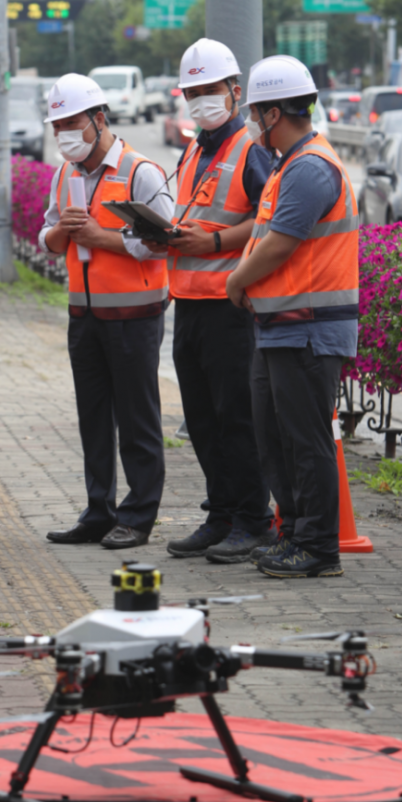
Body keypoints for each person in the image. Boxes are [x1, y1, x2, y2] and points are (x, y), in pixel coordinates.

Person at [226, 56, 359, 578]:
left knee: (306, 442)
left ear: (274, 112)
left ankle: (320, 548)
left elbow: (279, 245)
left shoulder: (308, 168)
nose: (254, 121)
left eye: (257, 111)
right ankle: (295, 533)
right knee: (278, 439)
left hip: (309, 329)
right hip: (280, 325)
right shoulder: (288, 164)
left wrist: (236, 281)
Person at [147, 38, 274, 564]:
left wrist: (216, 242)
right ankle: (220, 514)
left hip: (231, 306)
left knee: (235, 417)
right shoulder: (195, 148)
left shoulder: (251, 149)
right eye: (192, 91)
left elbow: (270, 221)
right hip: (189, 303)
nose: (201, 100)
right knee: (200, 417)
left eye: (210, 90)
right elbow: (199, 215)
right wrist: (165, 235)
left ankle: (254, 521)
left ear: (235, 91)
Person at [40, 73, 173, 550]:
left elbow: (163, 243)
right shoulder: (65, 174)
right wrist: (65, 234)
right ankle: (99, 512)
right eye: (57, 126)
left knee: (137, 419)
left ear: (99, 119)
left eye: (72, 123)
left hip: (135, 316)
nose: (64, 135)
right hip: (84, 316)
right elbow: (48, 235)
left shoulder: (141, 172)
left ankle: (137, 516)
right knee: (93, 419)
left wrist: (102, 239)